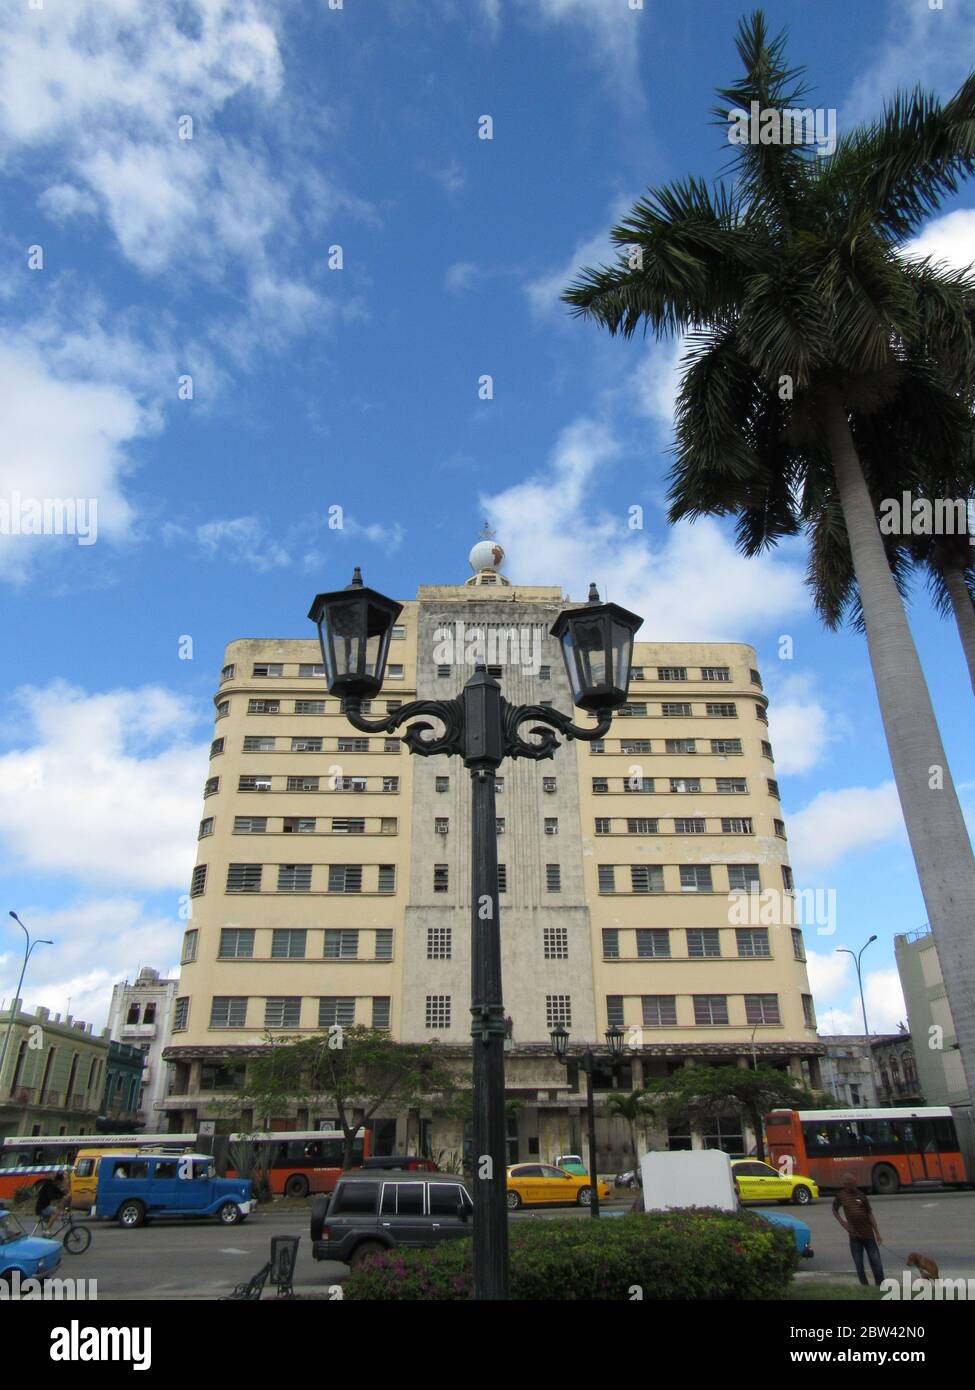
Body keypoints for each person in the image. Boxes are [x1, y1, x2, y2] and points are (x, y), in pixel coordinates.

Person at [832, 1171, 884, 1286]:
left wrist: (877, 1233)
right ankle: (864, 1285)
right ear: (846, 1185)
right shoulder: (841, 1196)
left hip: (868, 1235)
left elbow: (870, 1214)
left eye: (855, 1184)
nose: (854, 1186)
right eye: (851, 1184)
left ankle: (880, 1284)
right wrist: (842, 1222)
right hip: (854, 1237)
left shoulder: (861, 1195)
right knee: (859, 1263)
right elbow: (834, 1209)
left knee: (876, 1261)